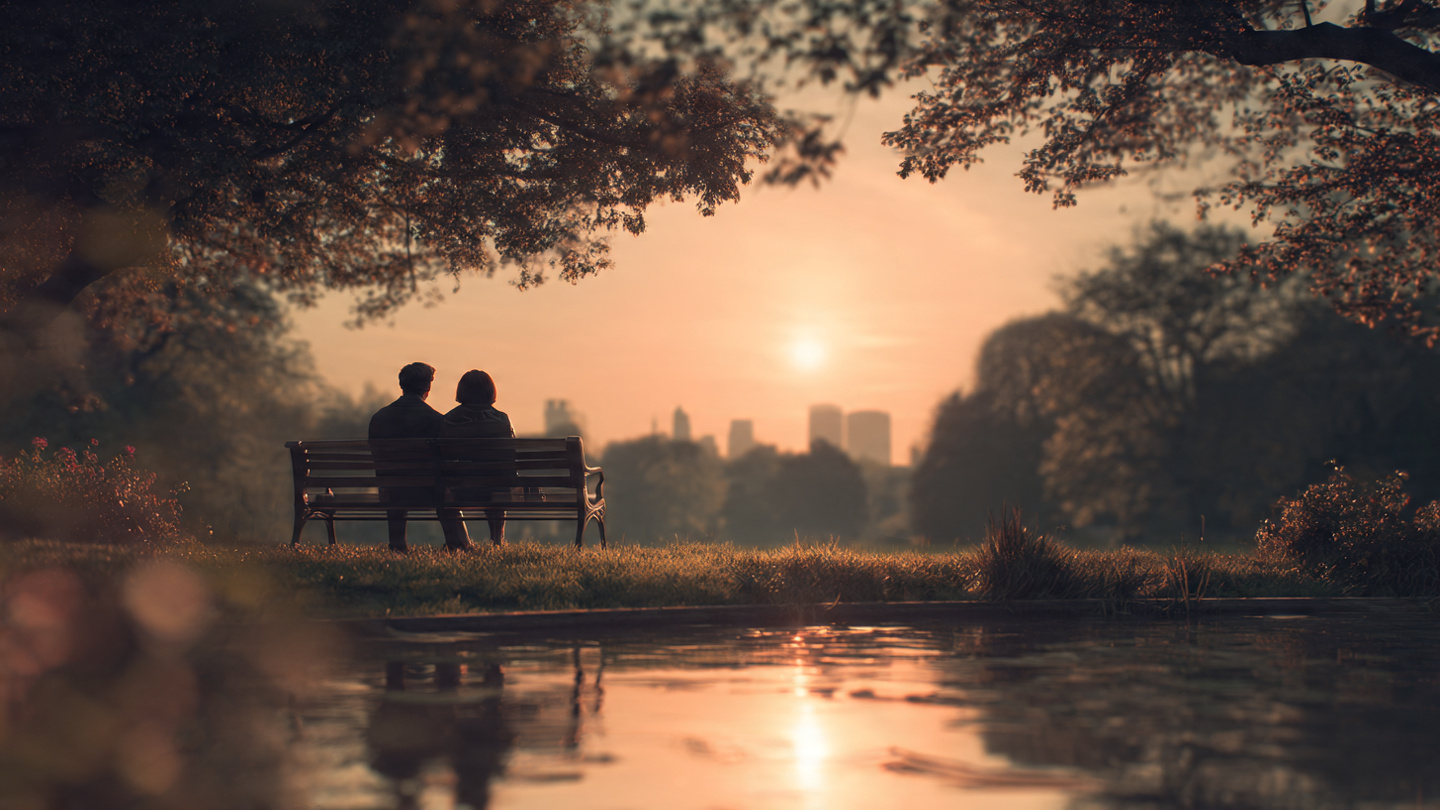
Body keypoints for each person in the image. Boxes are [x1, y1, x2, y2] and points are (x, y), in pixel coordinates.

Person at [368, 362, 446, 552]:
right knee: (445, 485)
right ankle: (457, 541)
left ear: (402, 385)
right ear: (428, 388)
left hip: (391, 491)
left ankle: (397, 543)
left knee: (395, 481)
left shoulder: (379, 418)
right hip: (431, 493)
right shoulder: (438, 420)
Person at [441, 370, 515, 546]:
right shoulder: (502, 420)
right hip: (496, 490)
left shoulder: (449, 420)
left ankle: (462, 541)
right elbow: (510, 458)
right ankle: (497, 540)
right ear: (491, 392)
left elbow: (444, 458)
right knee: (497, 484)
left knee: (444, 491)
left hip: (461, 490)